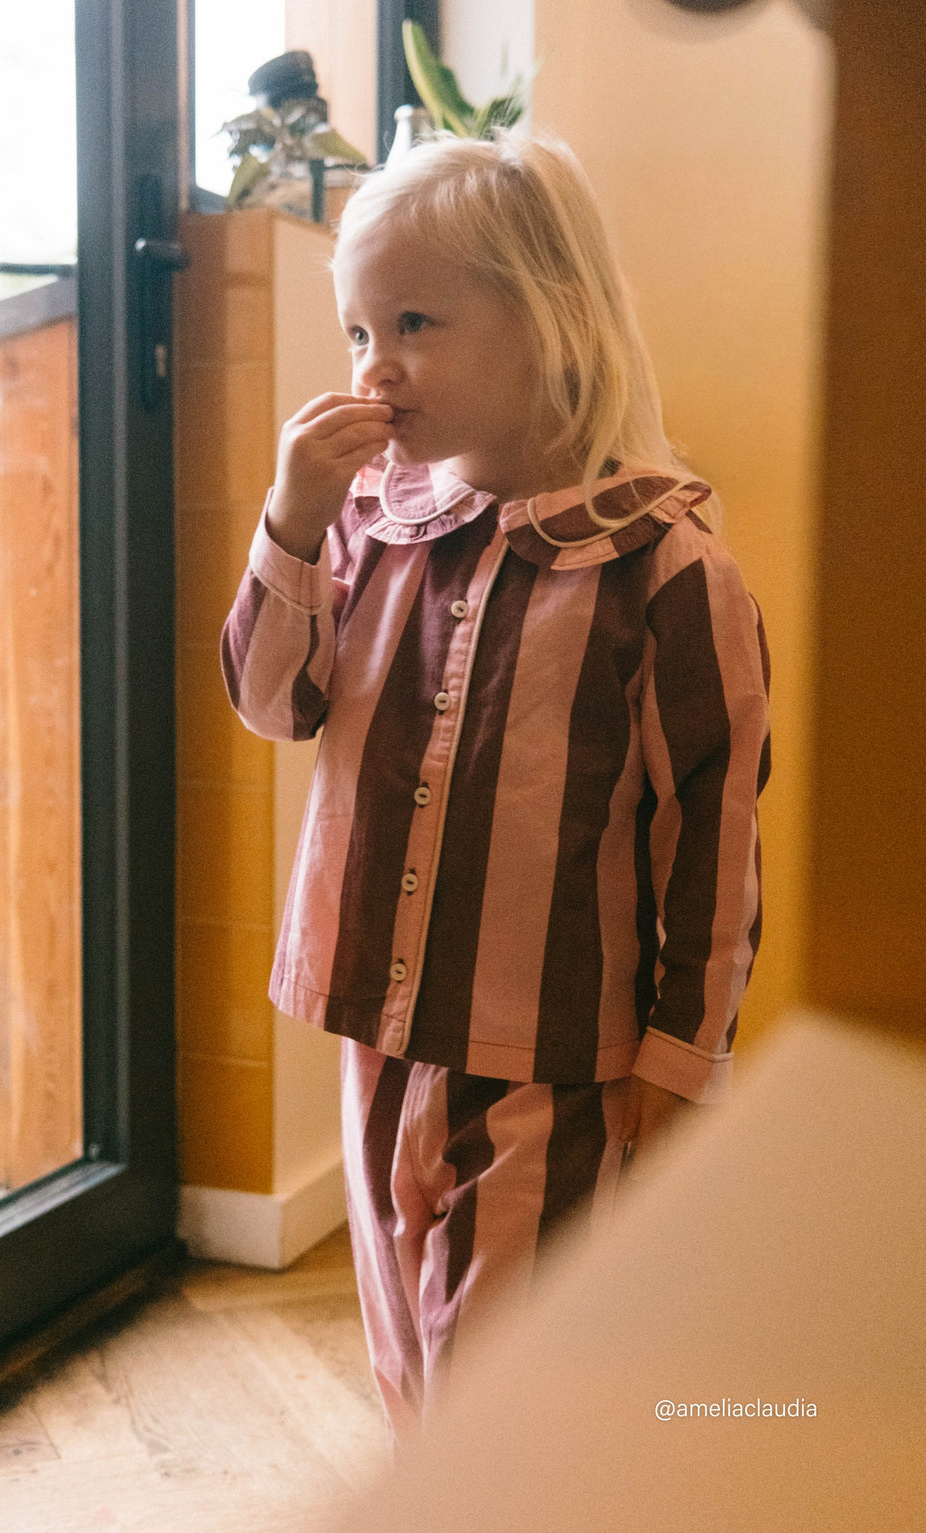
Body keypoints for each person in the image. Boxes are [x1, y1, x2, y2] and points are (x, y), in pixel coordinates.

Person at [220, 130, 771, 1441]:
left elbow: (716, 835)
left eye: (415, 319)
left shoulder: (668, 574)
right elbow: (272, 699)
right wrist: (290, 521)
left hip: (553, 1060)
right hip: (379, 1030)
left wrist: (681, 1060)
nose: (377, 364)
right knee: (409, 1361)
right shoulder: (368, 525)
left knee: (507, 1386)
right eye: (358, 329)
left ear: (552, 319)